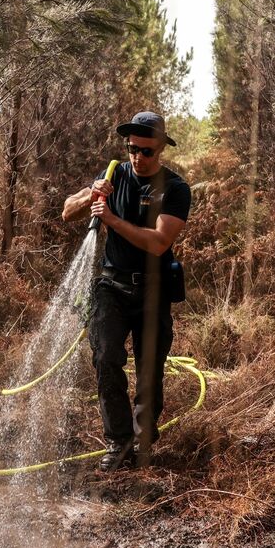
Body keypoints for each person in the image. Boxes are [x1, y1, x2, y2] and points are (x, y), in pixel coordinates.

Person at [62, 111, 191, 471]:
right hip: (111, 287)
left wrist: (112, 220)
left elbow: (159, 242)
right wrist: (91, 195)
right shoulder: (113, 175)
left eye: (147, 151)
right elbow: (66, 212)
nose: (138, 157)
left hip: (153, 291)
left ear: (161, 149)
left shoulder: (175, 189)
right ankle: (118, 441)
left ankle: (143, 437)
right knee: (106, 359)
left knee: (150, 369)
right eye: (133, 148)